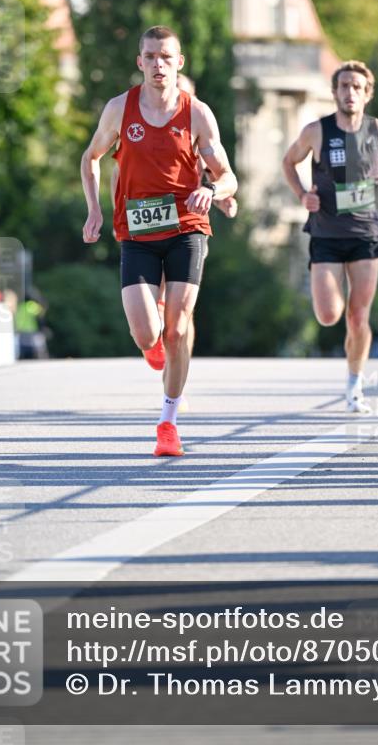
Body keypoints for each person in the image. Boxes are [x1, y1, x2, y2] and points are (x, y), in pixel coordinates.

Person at [81, 25, 237, 456]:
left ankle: (167, 422)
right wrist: (94, 208)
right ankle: (155, 348)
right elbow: (90, 157)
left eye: (166, 57)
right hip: (137, 233)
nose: (158, 65)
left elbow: (227, 176)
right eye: (150, 57)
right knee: (145, 332)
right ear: (140, 62)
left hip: (187, 227)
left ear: (179, 63)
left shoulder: (198, 114)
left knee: (179, 325)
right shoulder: (119, 109)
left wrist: (214, 191)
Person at [282, 60, 378, 413]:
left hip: (366, 234)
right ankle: (351, 368)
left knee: (358, 316)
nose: (350, 92)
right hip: (326, 232)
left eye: (357, 87)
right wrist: (302, 195)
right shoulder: (316, 131)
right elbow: (288, 162)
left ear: (367, 94)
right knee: (328, 314)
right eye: (344, 86)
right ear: (334, 92)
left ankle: (355, 384)